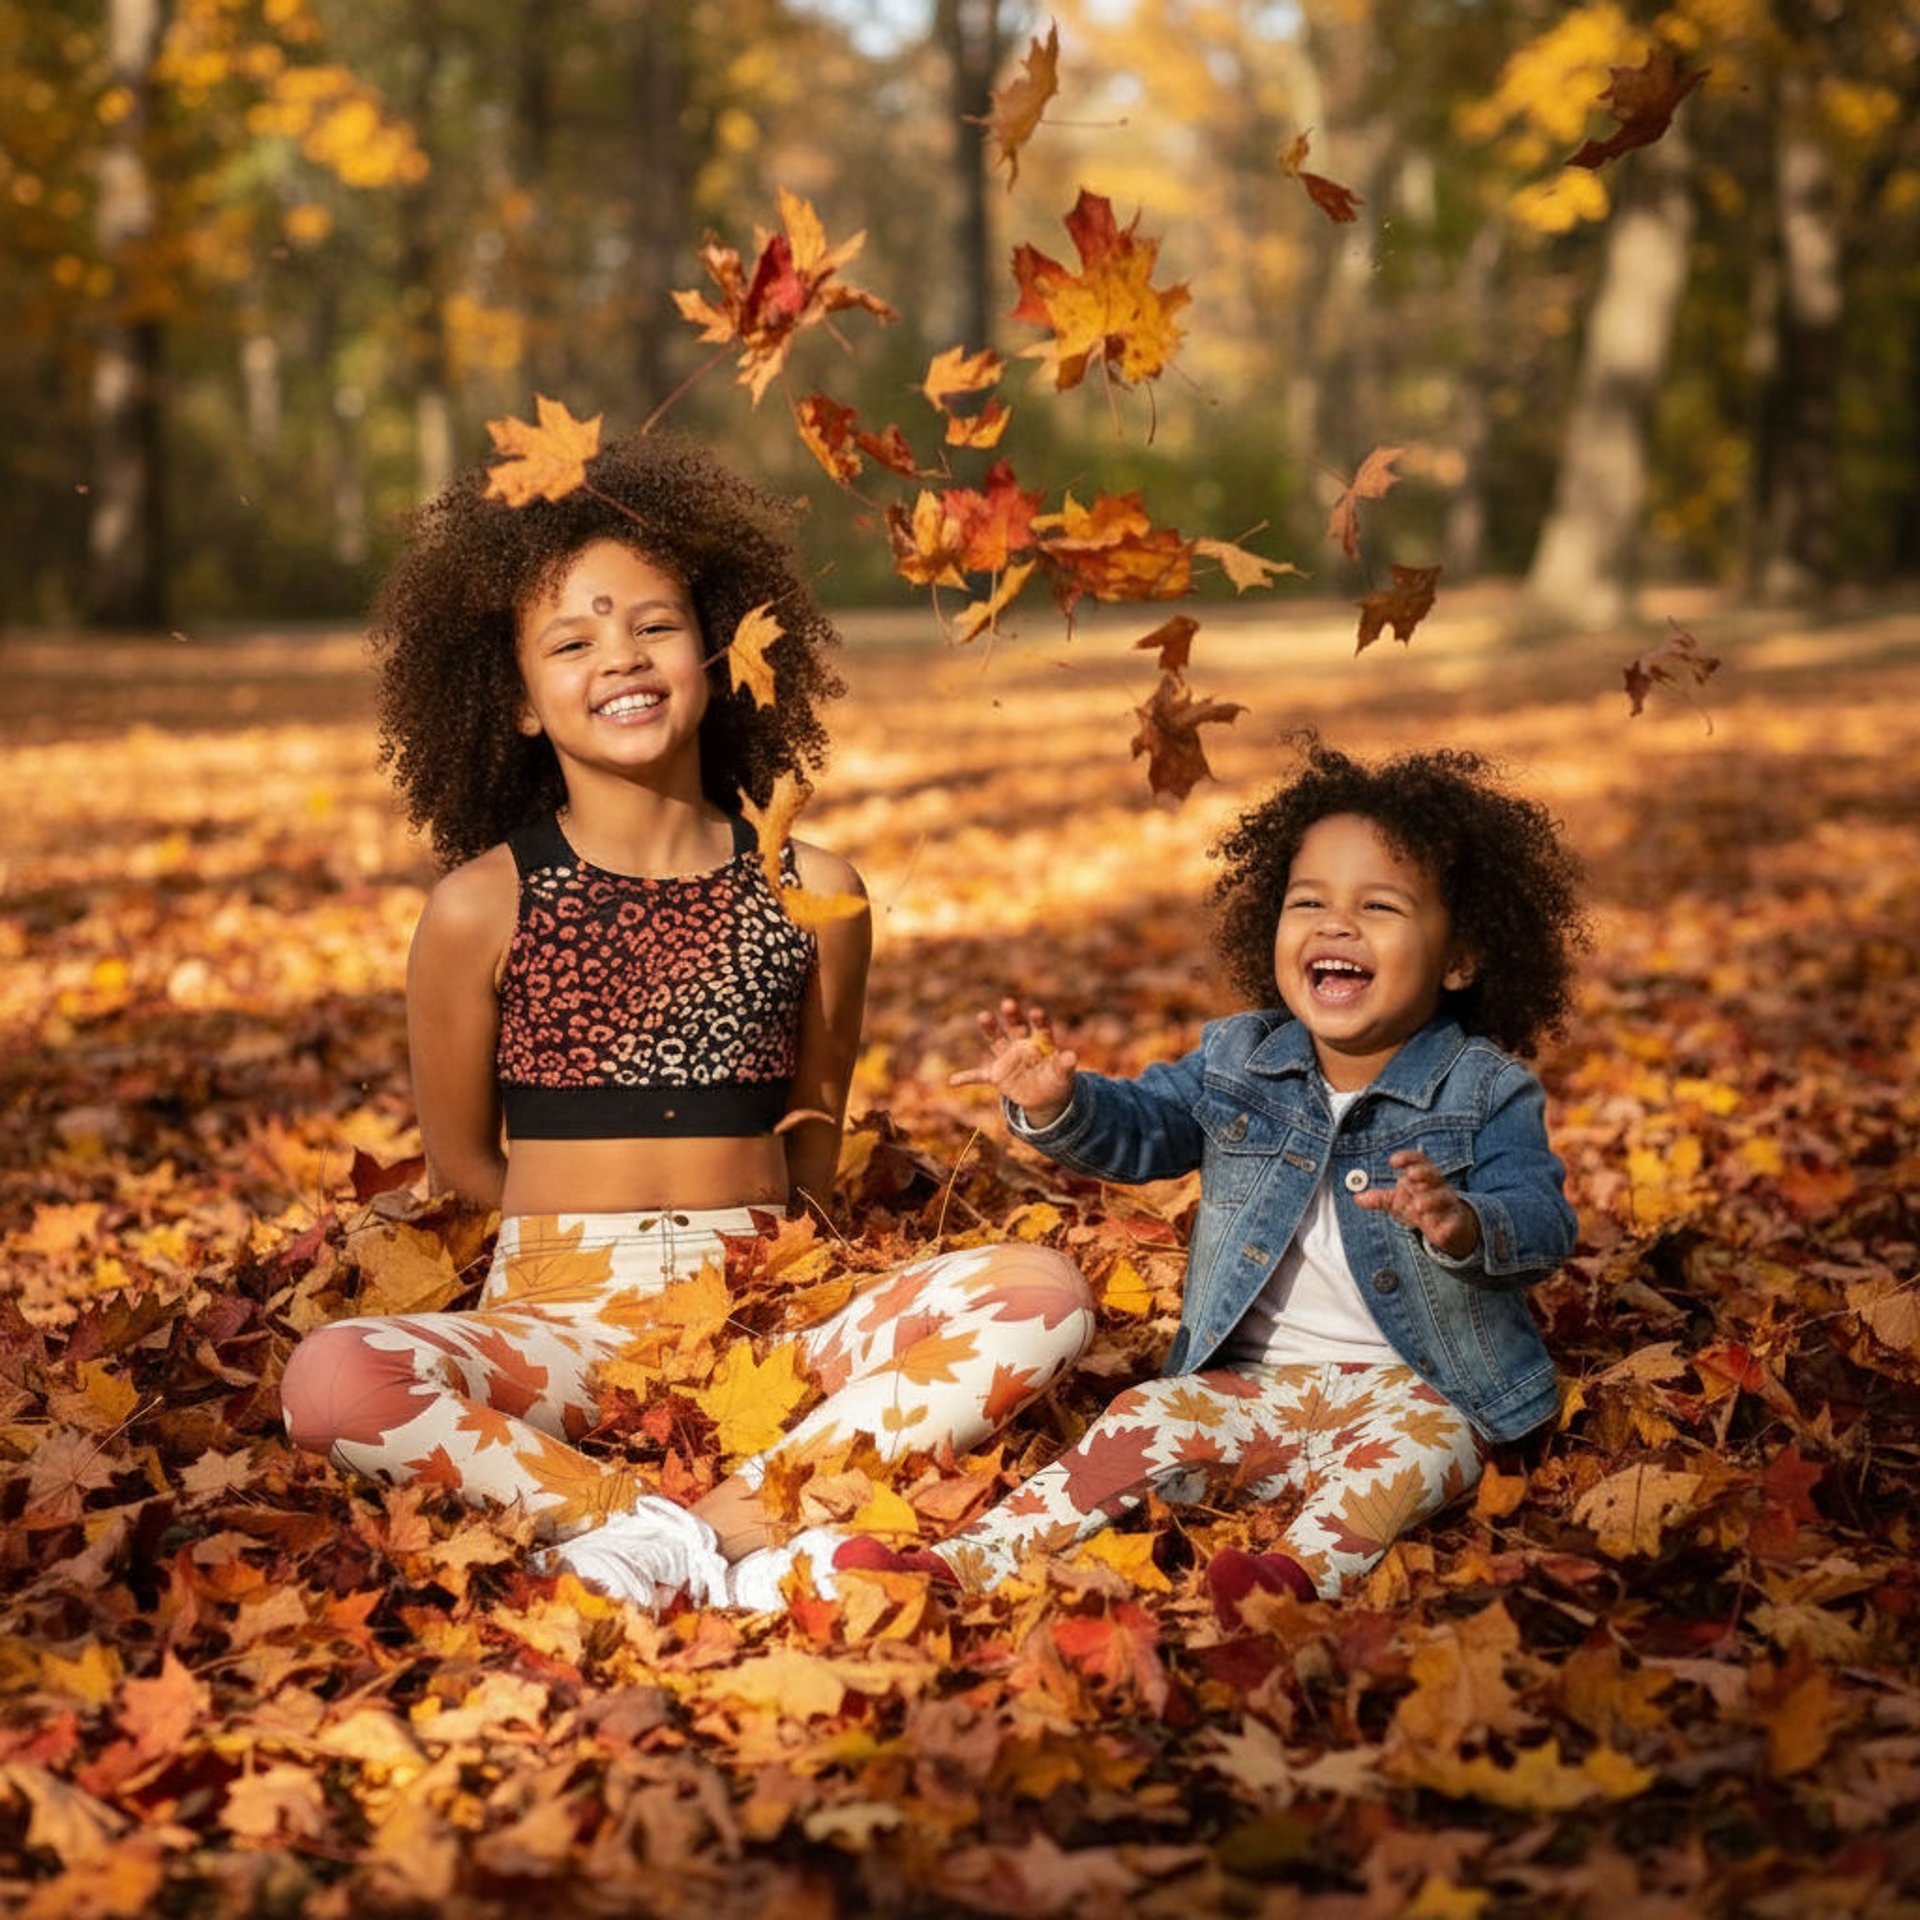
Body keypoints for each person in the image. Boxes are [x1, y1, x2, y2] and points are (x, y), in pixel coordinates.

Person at [278, 431, 1094, 1610]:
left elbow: (814, 1133)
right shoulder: (479, 906)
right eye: (572, 640)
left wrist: (759, 1276)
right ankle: (650, 1524)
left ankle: (727, 1514)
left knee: (1042, 1296)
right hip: (556, 1319)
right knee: (334, 1376)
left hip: (762, 1311)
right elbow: (462, 1157)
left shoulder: (815, 889)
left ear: (717, 651)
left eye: (654, 625)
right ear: (511, 700)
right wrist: (582, 1250)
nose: (622, 656)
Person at [891, 738, 1588, 1620]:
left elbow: (1541, 1218)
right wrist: (1058, 1104)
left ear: (1460, 958)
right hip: (1248, 1388)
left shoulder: (1485, 1088)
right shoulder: (1239, 1060)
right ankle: (966, 1560)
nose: (1336, 926)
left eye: (1379, 906)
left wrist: (1464, 1224)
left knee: (1416, 1456)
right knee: (1140, 1420)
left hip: (1421, 1387)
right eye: (1309, 903)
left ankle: (1282, 1588)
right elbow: (1144, 1132)